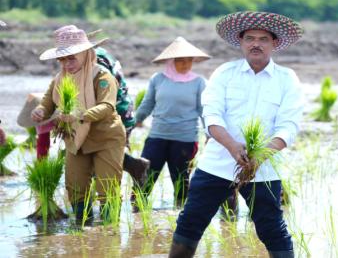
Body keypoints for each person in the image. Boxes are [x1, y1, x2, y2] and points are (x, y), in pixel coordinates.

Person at [168, 11, 304, 258]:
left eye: (263, 39)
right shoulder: (225, 73)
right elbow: (212, 115)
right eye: (250, 38)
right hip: (217, 164)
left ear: (274, 44)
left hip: (263, 169)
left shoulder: (287, 79)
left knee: (272, 229)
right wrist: (231, 145)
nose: (256, 43)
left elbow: (289, 126)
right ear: (240, 41)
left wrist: (260, 155)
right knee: (190, 221)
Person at [31, 25, 126, 223]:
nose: (67, 63)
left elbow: (107, 106)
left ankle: (109, 232)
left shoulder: (102, 76)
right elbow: (47, 102)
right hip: (76, 139)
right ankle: (83, 231)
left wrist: (80, 116)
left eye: (72, 57)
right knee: (75, 187)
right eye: (62, 59)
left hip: (106, 137)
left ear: (85, 53)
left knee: (107, 188)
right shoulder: (60, 79)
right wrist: (40, 111)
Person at [16, 46, 149, 186]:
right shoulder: (78, 65)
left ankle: (134, 169)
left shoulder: (97, 63)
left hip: (115, 113)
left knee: (102, 154)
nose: (66, 62)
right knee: (90, 153)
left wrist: (78, 114)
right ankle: (90, 197)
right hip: (100, 113)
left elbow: (101, 95)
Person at [135, 37, 209, 207]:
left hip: (185, 138)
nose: (185, 64)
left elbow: (203, 109)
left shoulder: (199, 82)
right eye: (180, 60)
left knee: (181, 180)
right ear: (171, 61)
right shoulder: (158, 79)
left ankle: (179, 212)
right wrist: (135, 121)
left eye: (189, 60)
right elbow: (148, 103)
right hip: (157, 135)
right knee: (145, 176)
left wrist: (209, 133)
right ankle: (136, 211)